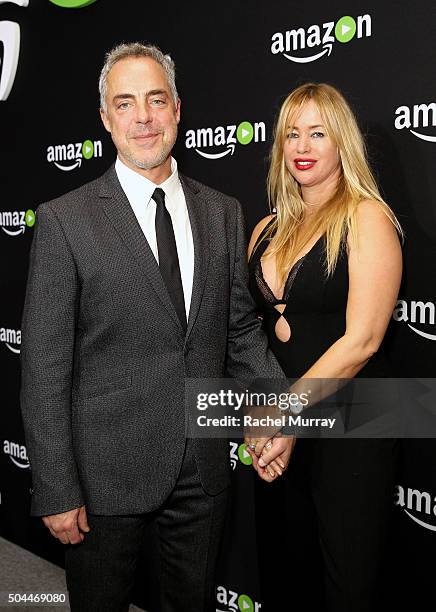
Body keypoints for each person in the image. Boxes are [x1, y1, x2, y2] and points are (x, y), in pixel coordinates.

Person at [20, 42, 287, 612]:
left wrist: (276, 413)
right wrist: (56, 485)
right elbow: (43, 367)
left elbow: (239, 332)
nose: (143, 117)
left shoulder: (222, 212)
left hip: (203, 470)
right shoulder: (66, 220)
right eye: (125, 103)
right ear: (105, 119)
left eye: (155, 100)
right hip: (103, 478)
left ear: (177, 110)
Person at [245, 83, 402, 611]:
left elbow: (362, 342)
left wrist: (283, 415)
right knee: (287, 574)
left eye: (318, 133)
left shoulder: (367, 218)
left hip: (354, 423)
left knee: (348, 583)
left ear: (342, 144)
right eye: (292, 133)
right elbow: (251, 334)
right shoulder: (265, 229)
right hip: (282, 423)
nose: (302, 146)